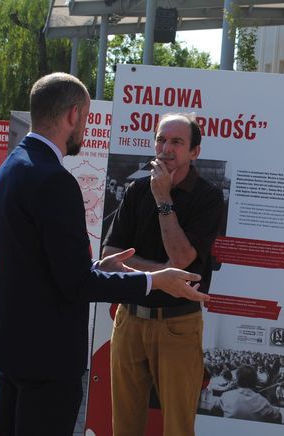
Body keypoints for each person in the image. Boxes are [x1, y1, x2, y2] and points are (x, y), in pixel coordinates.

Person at [0, 73, 209, 436]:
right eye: (87, 119)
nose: (86, 129)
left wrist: (96, 267)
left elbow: (41, 262)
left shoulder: (13, 166)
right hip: (47, 358)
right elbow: (76, 284)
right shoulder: (55, 180)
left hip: (14, 347)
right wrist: (154, 280)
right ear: (73, 115)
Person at [102, 112, 224, 436]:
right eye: (160, 139)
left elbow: (182, 258)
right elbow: (109, 259)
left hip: (178, 325)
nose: (165, 148)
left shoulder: (208, 197)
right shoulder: (135, 190)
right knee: (124, 425)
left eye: (176, 142)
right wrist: (159, 276)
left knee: (178, 427)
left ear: (194, 152)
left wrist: (163, 198)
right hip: (129, 320)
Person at [211, 365, 282, 423]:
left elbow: (213, 408)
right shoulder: (262, 401)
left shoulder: (226, 396)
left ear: (237, 381)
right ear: (255, 381)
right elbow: (278, 417)